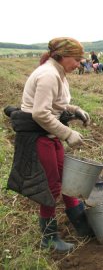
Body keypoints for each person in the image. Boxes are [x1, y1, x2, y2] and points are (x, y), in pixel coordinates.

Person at [4, 37, 93, 253]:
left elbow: (56, 104)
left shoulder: (59, 73)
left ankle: (81, 224)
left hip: (49, 134)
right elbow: (40, 113)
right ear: (63, 56)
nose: (80, 63)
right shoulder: (48, 75)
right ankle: (49, 238)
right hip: (39, 136)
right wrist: (67, 132)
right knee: (51, 185)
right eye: (77, 58)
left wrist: (74, 109)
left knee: (66, 181)